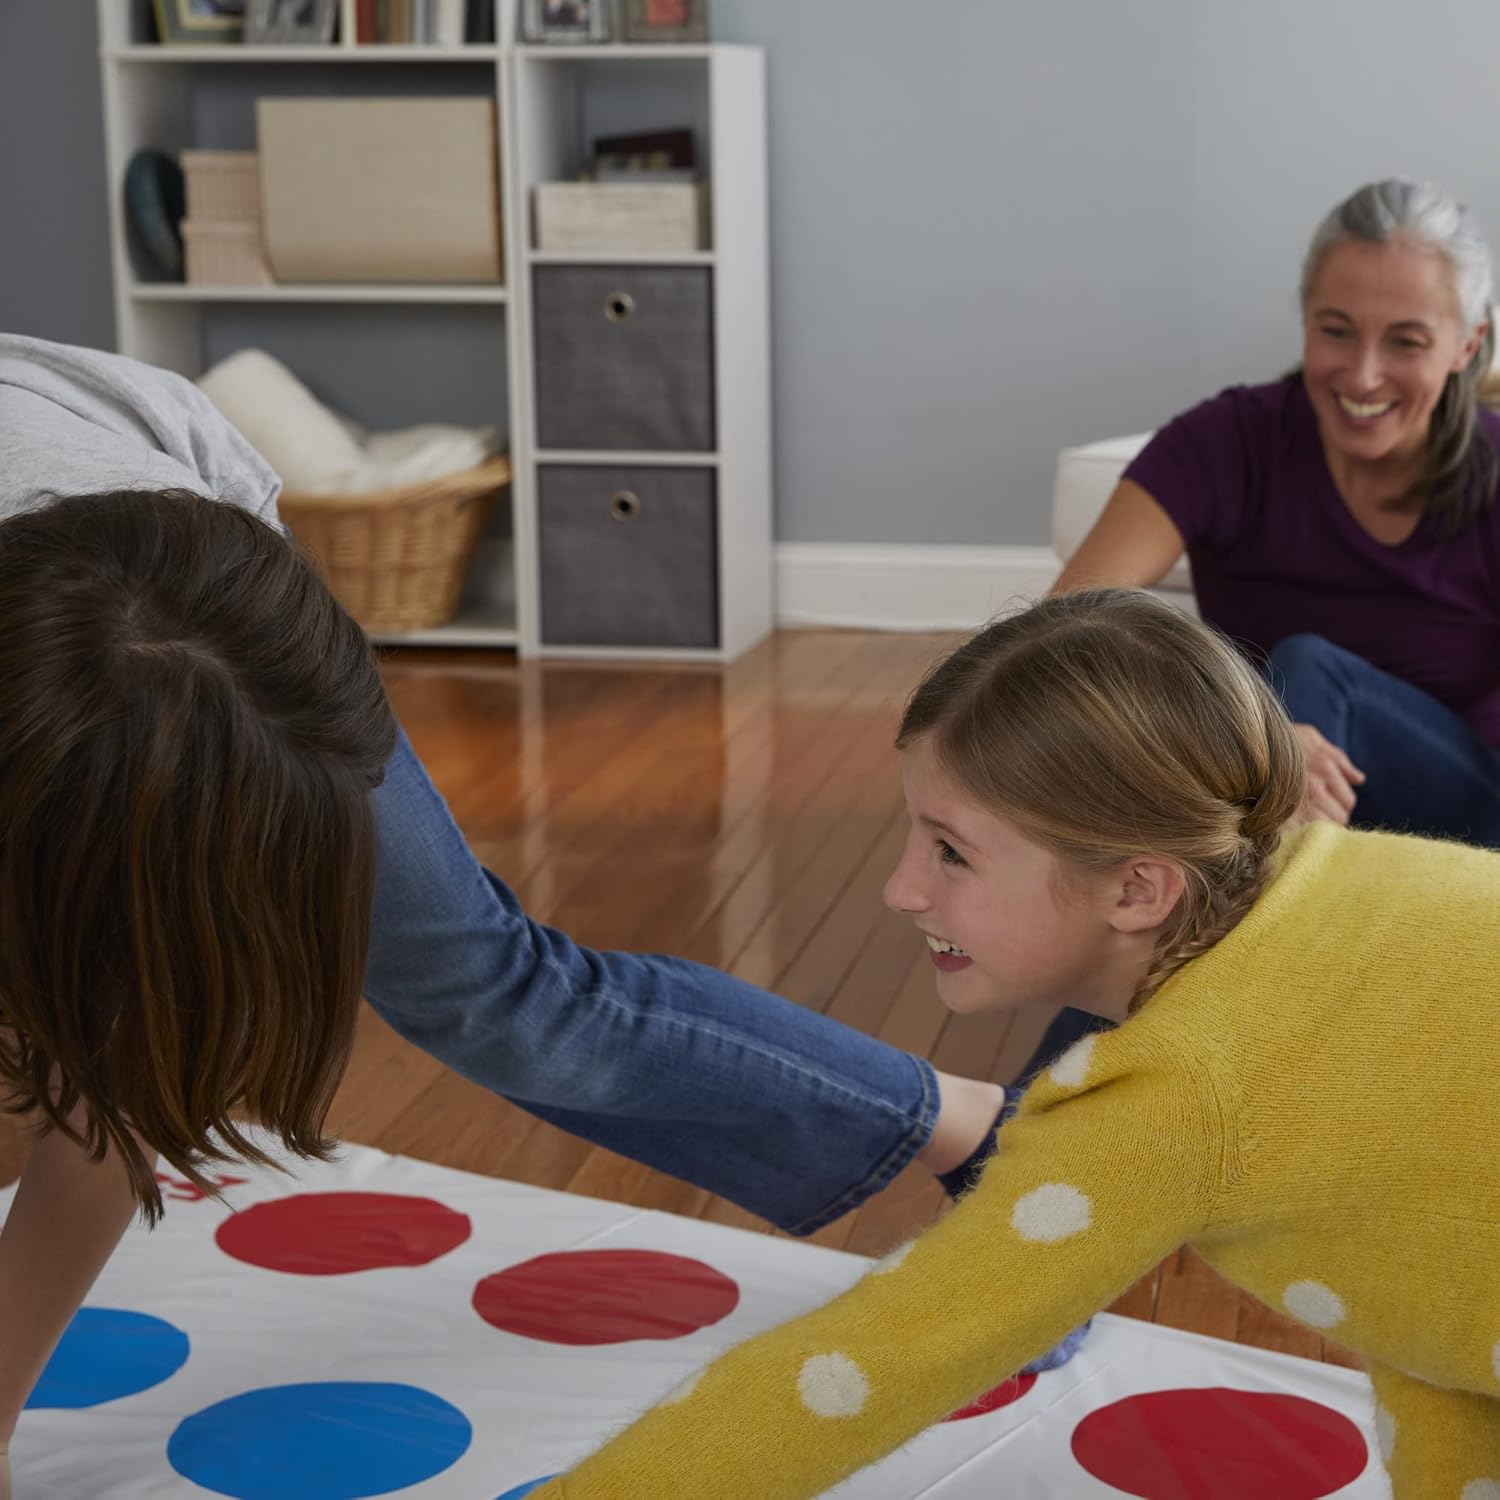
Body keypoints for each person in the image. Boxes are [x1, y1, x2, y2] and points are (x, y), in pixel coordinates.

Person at [0, 331, 1054, 1483]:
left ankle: (981, 1130)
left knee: (485, 985)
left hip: (177, 552)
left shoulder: (225, 613)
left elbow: (120, 1076)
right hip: (78, 605)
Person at [529, 586, 1500, 1499]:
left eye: (950, 851)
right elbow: (1429, 1295)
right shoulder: (1360, 881)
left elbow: (872, 1364)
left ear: (1136, 890)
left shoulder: (1170, 1100)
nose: (902, 889)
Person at [1057, 178, 1500, 849]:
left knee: (1308, 670)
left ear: (1468, 346)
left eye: (1406, 342)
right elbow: (1062, 630)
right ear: (1305, 321)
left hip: (1467, 822)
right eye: (1336, 331)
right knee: (1265, 708)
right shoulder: (1226, 443)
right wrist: (1244, 735)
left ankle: (1272, 936)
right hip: (1265, 793)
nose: (1363, 375)